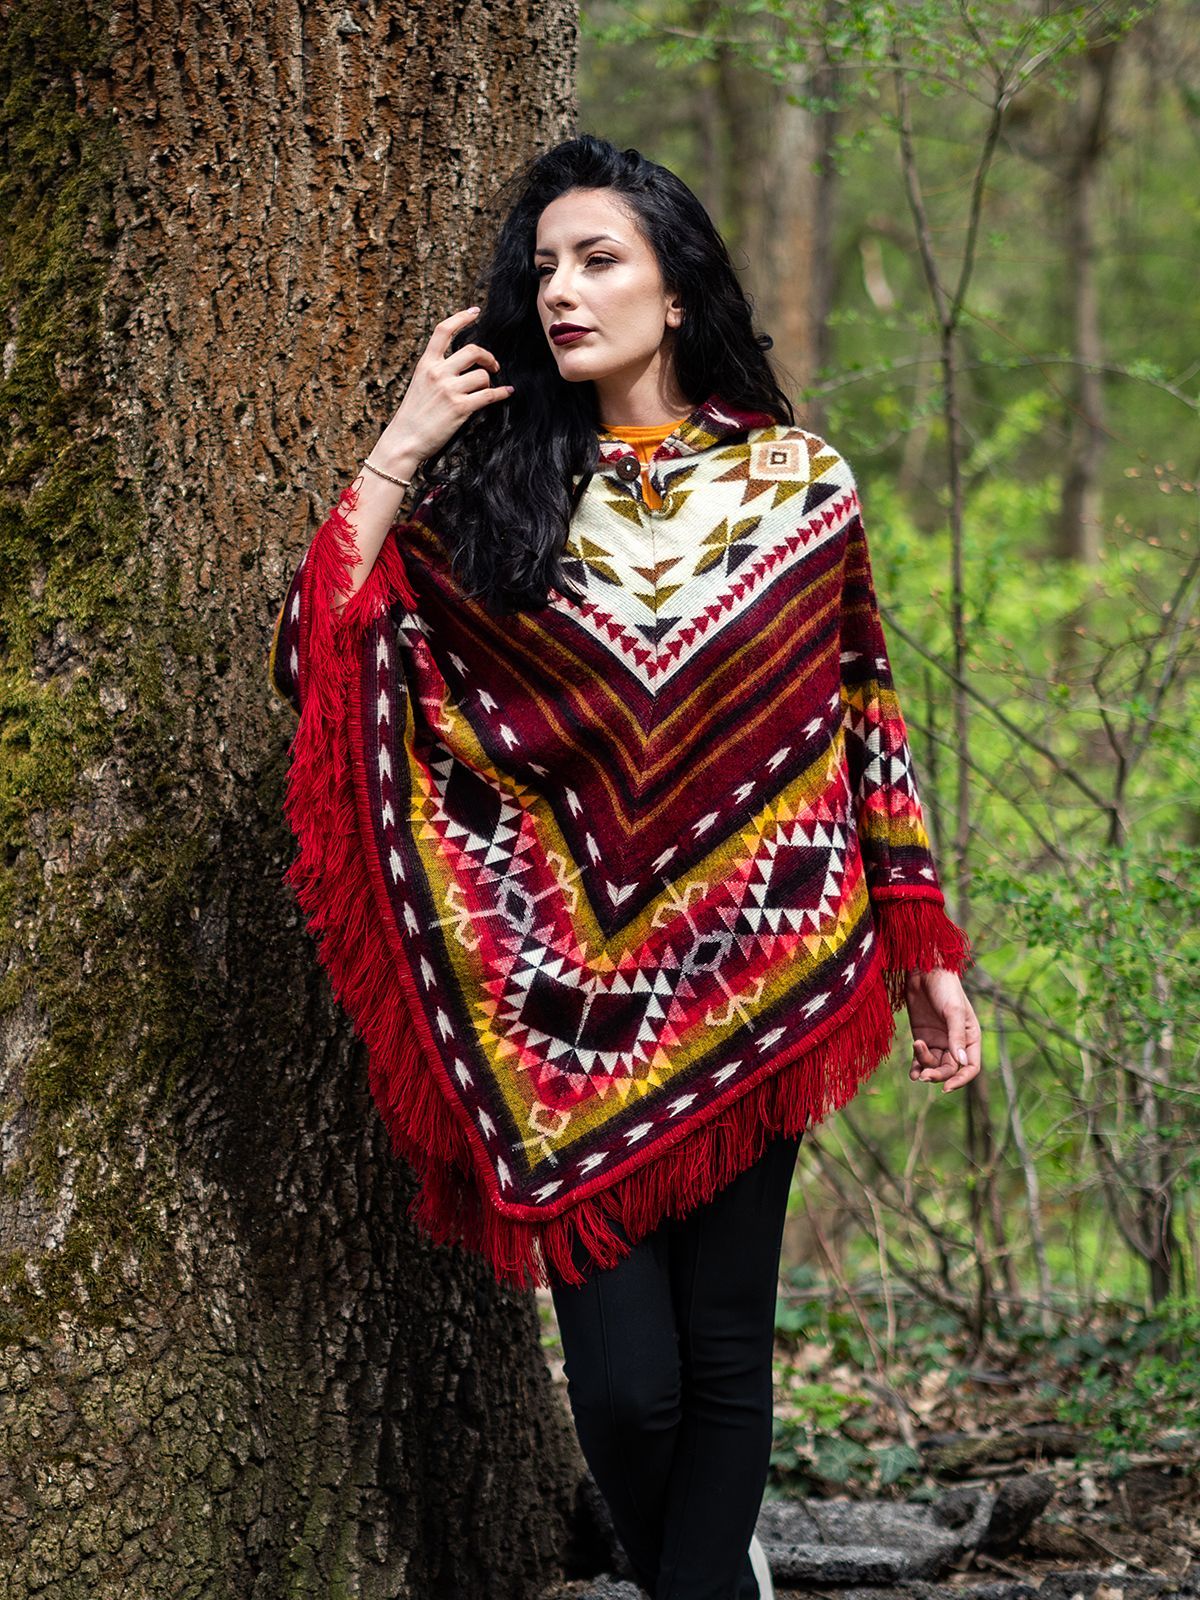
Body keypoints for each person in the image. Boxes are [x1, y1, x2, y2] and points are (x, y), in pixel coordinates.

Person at [268, 135, 981, 1600]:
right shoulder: (496, 494)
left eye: (599, 260)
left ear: (678, 286)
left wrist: (926, 947)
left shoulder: (796, 482)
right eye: (544, 268)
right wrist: (403, 442)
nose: (563, 292)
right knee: (626, 1390)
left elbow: (863, 710)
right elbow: (320, 654)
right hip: (566, 1015)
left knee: (723, 1354)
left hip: (767, 961)